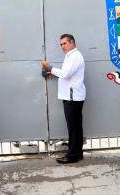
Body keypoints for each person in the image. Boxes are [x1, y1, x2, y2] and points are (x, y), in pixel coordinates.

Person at [42, 34, 86, 164]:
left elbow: (66, 74)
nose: (62, 46)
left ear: (72, 43)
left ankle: (72, 155)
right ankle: (77, 153)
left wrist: (49, 67)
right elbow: (67, 74)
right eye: (61, 44)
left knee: (73, 127)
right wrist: (53, 73)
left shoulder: (75, 56)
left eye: (64, 43)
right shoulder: (70, 56)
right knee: (76, 127)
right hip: (72, 96)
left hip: (72, 97)